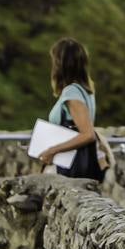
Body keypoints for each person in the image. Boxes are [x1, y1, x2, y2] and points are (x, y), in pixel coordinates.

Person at [37, 37, 104, 180]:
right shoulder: (85, 91)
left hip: (70, 165)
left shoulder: (72, 93)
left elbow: (87, 134)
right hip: (72, 163)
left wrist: (52, 150)